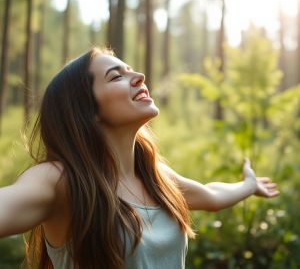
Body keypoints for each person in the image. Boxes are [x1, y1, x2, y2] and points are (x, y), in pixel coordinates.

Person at [0, 47, 279, 269]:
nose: (140, 76)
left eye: (130, 70)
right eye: (116, 76)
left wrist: (249, 185)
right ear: (86, 109)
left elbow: (211, 196)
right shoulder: (61, 179)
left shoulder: (155, 177)